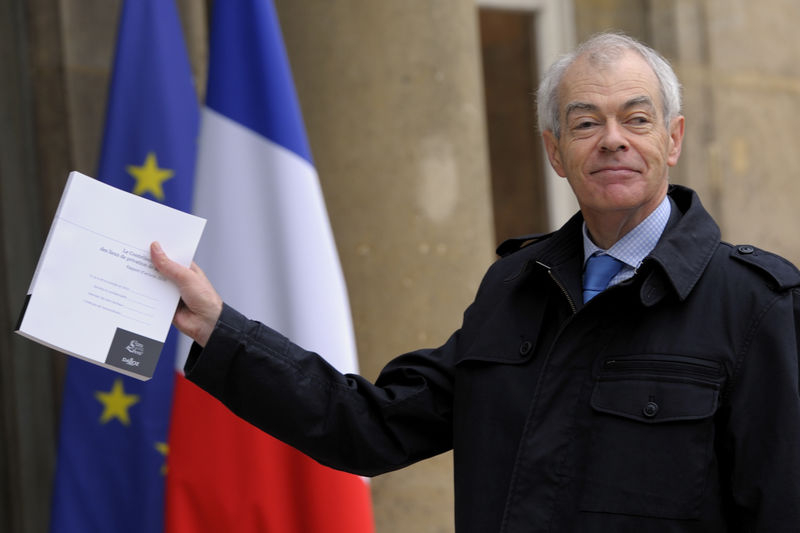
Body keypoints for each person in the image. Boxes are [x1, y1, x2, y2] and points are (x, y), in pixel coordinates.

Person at [150, 32, 800, 532]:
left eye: (636, 119)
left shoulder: (756, 305)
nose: (612, 140)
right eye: (585, 122)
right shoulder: (515, 287)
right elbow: (369, 424)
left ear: (673, 139)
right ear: (555, 151)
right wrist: (219, 328)